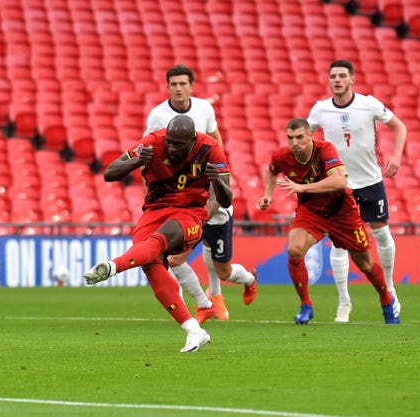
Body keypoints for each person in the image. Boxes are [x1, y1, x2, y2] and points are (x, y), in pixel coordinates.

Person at [84, 115, 232, 352]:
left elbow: (227, 199)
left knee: (164, 236)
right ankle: (194, 330)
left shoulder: (210, 149)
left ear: (192, 140)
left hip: (190, 213)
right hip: (154, 211)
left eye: (178, 144)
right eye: (170, 142)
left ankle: (113, 266)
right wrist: (135, 162)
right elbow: (110, 173)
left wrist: (219, 184)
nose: (171, 148)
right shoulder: (152, 142)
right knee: (151, 264)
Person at [257, 117, 400, 325]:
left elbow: (340, 181)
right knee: (294, 250)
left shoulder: (325, 150)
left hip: (342, 212)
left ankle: (387, 300)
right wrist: (267, 195)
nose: (295, 143)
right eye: (290, 138)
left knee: (365, 264)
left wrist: (302, 188)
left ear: (310, 136)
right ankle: (306, 305)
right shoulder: (282, 156)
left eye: (299, 137)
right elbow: (271, 170)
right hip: (311, 212)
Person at [144, 64, 257, 323]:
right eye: (174, 84)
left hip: (210, 197)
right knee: (174, 259)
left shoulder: (204, 108)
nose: (179, 88)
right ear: (168, 87)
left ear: (191, 86)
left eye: (183, 84)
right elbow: (147, 159)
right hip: (181, 197)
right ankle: (205, 303)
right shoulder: (157, 116)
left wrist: (219, 178)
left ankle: (248, 279)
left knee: (224, 270)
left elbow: (216, 141)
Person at [306, 59, 406, 323]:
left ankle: (390, 288)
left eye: (342, 76)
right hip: (339, 184)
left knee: (382, 233)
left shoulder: (369, 103)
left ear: (352, 80)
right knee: (339, 243)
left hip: (370, 181)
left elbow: (400, 126)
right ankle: (344, 302)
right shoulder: (320, 109)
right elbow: (304, 137)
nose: (337, 80)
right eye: (333, 77)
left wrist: (396, 155)